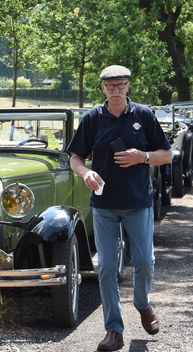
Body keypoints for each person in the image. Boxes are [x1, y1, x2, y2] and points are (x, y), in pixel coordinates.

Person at [67, 65, 172, 351]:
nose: (115, 90)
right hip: (104, 205)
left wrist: (144, 156)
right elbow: (75, 158)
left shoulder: (143, 115)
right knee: (107, 268)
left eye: (120, 85)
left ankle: (142, 303)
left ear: (128, 86)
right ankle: (114, 330)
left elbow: (167, 154)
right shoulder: (93, 118)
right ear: (102, 88)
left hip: (138, 202)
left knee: (144, 262)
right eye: (110, 86)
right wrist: (85, 173)